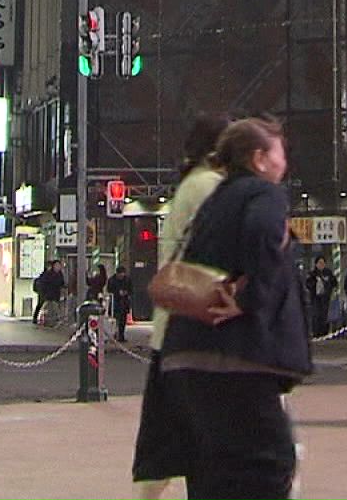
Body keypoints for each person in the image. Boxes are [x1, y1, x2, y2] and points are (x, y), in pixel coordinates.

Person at [161, 117, 312, 500]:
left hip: (189, 353)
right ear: (259, 158)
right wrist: (249, 299)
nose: (285, 161)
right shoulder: (264, 195)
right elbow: (263, 233)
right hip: (238, 357)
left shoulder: (214, 199)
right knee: (271, 464)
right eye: (280, 151)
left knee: (214, 472)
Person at [132, 112, 230, 500]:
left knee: (171, 442)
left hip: (172, 332)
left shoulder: (191, 184)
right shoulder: (209, 185)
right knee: (203, 446)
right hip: (194, 334)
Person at [305, 256, 339, 337]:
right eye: (319, 263)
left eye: (323, 263)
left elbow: (334, 283)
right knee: (316, 315)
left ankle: (325, 332)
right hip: (316, 298)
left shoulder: (328, 273)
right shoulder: (312, 274)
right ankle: (316, 332)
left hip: (325, 298)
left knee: (325, 316)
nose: (321, 265)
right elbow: (308, 284)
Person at [33, 259, 67, 327]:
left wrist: (64, 288)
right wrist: (43, 293)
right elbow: (43, 283)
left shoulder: (60, 274)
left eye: (59, 265)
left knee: (54, 307)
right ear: (53, 266)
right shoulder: (48, 273)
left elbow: (61, 283)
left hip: (55, 294)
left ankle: (54, 320)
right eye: (56, 265)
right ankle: (41, 319)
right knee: (43, 306)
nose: (58, 267)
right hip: (47, 294)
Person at [108, 264, 134, 342]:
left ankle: (121, 336)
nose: (122, 276)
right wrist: (117, 292)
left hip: (124, 302)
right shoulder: (112, 280)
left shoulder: (127, 280)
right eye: (120, 274)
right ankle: (115, 334)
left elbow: (131, 290)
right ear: (117, 273)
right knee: (116, 319)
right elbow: (109, 290)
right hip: (115, 302)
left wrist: (126, 293)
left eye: (123, 274)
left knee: (123, 320)